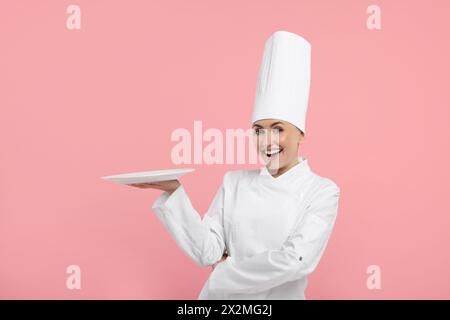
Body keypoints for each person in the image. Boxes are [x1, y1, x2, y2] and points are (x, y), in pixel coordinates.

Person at [128, 30, 341, 299]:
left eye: (277, 129)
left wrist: (224, 274)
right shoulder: (234, 182)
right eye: (258, 130)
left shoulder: (321, 191)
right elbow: (208, 252)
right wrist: (174, 193)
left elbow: (296, 259)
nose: (266, 141)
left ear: (301, 134)